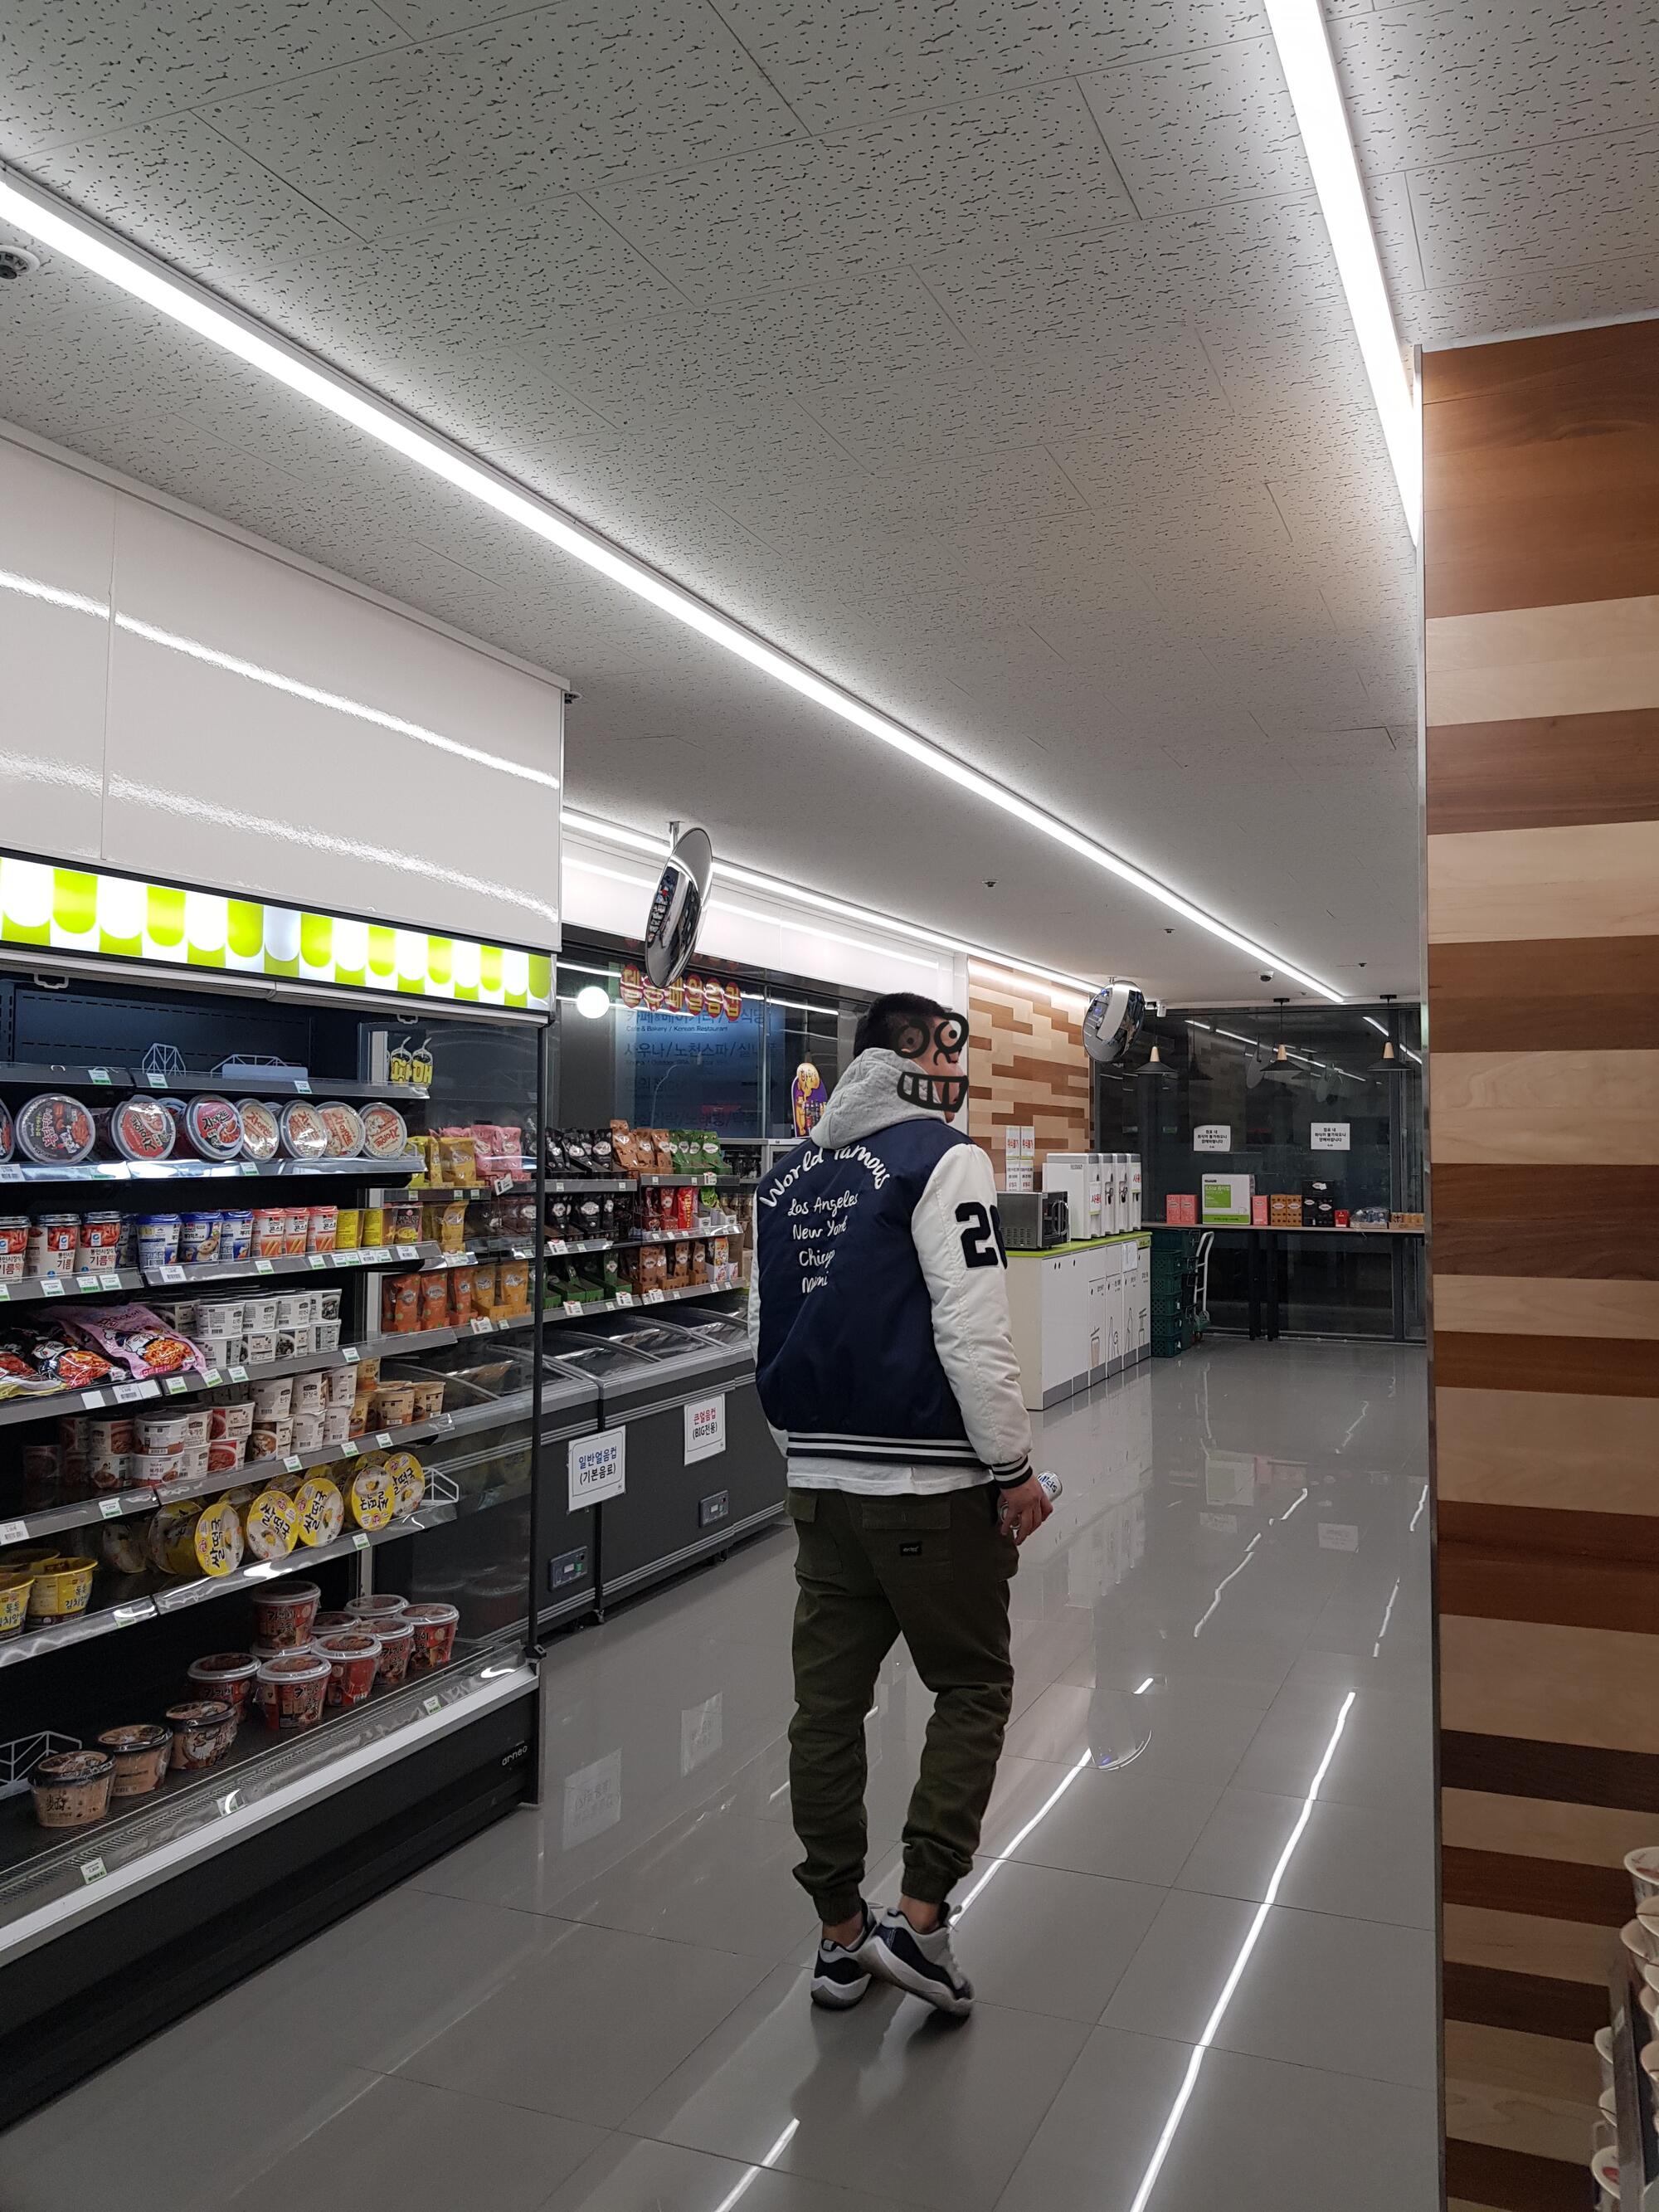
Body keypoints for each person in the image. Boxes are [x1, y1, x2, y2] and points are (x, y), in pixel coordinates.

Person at [748, 992, 1053, 2017]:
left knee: (825, 1712)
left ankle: (840, 1936)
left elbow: (765, 1329)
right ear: (915, 1055)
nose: (956, 1073)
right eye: (949, 1054)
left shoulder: (786, 1175)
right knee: (971, 1683)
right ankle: (920, 1919)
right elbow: (972, 1327)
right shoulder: (942, 1157)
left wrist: (803, 1452)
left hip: (819, 1487)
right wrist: (1011, 1466)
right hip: (929, 1488)